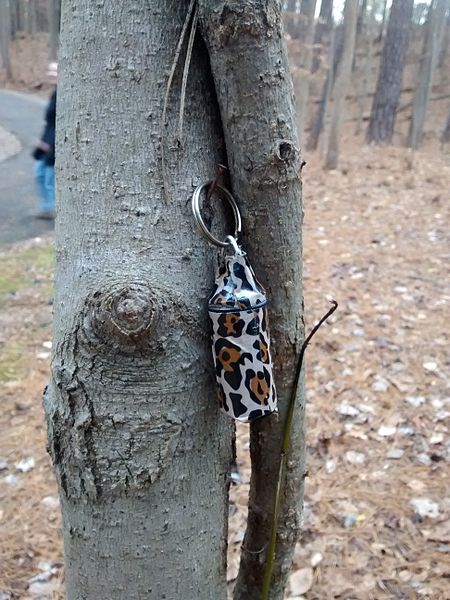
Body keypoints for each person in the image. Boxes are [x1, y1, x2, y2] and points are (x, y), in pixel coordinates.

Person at [33, 62, 57, 220]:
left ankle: (53, 209)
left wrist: (51, 144)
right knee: (39, 173)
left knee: (49, 178)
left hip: (54, 144)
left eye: (54, 72)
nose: (51, 74)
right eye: (49, 71)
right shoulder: (55, 93)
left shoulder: (64, 94)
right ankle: (47, 207)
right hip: (46, 141)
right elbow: (49, 122)